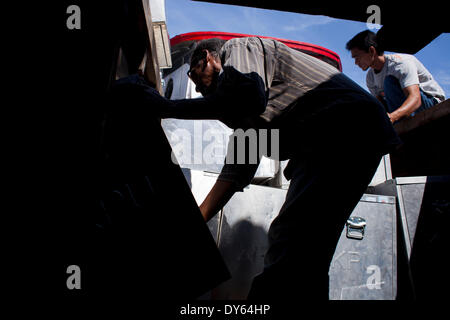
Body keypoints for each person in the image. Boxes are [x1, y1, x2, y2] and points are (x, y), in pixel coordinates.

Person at [114, 37, 401, 301]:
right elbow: (238, 169)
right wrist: (197, 220)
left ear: (206, 57)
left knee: (292, 244)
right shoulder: (244, 111)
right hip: (340, 140)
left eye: (193, 75)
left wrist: (166, 107)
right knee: (305, 250)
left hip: (344, 130)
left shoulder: (238, 49)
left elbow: (248, 95)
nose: (198, 89)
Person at [346, 30, 446, 123]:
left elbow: (415, 99)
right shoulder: (370, 77)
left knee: (389, 82)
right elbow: (380, 106)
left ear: (372, 51)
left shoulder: (400, 64)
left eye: (357, 57)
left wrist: (392, 117)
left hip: (430, 103)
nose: (356, 62)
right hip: (402, 108)